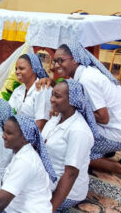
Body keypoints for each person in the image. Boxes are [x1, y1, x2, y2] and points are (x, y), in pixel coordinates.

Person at [39, 43, 121, 177]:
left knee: (69, 147)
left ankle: (119, 167)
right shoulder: (84, 72)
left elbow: (103, 118)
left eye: (61, 60)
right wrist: (52, 83)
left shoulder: (87, 79)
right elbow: (74, 96)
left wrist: (71, 110)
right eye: (55, 61)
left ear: (75, 59)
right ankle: (104, 151)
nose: (56, 65)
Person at [0, 114, 56, 213]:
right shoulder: (20, 153)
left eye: (9, 133)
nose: (3, 135)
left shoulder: (26, 161)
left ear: (24, 138)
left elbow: (0, 202)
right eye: (4, 131)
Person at [42, 79, 94, 211]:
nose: (52, 99)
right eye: (52, 94)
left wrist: (50, 209)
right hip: (47, 180)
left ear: (72, 100)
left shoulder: (79, 131)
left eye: (57, 96)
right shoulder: (55, 120)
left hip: (67, 191)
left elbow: (70, 174)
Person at [8, 53, 52, 131]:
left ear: (33, 69)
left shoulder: (43, 90)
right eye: (16, 69)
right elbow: (8, 113)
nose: (17, 72)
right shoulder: (18, 90)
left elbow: (41, 124)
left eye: (21, 68)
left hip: (32, 138)